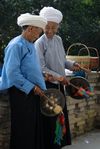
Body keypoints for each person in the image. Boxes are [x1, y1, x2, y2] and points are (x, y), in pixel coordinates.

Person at [0, 13, 48, 149]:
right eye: (37, 32)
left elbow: (30, 68)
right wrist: (32, 87)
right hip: (21, 92)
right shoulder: (16, 45)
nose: (37, 36)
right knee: (23, 128)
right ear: (30, 28)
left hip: (32, 92)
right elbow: (12, 73)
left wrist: (42, 77)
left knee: (31, 128)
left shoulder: (30, 44)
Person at [35, 7, 80, 149]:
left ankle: (58, 145)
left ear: (57, 27)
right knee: (50, 120)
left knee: (60, 119)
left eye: (53, 28)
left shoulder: (59, 39)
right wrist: (59, 77)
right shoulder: (39, 43)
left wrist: (72, 64)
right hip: (48, 87)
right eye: (47, 27)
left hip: (60, 85)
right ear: (43, 26)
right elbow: (41, 68)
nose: (49, 31)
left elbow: (63, 60)